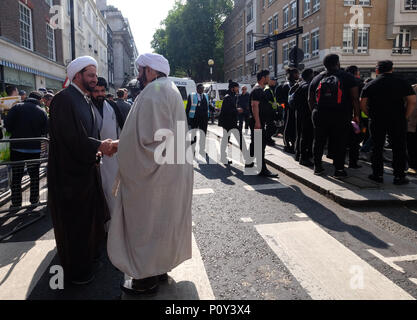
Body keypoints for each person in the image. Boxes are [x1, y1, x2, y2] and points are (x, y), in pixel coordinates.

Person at [107, 53, 193, 295]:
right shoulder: (170, 89)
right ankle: (159, 269)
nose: (138, 74)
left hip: (155, 176)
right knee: (163, 222)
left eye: (142, 69)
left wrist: (116, 146)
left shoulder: (154, 92)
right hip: (169, 172)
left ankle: (145, 278)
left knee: (146, 224)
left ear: (153, 71)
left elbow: (143, 141)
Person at [48, 56, 115, 285]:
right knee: (75, 226)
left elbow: (88, 134)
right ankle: (77, 272)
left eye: (95, 75)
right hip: (70, 178)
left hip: (85, 172)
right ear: (77, 75)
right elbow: (72, 138)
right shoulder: (64, 99)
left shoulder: (83, 98)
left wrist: (98, 146)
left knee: (88, 221)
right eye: (91, 75)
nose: (95, 79)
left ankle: (89, 259)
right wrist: (99, 146)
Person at [360, 60, 417, 185]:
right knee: (399, 147)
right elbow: (412, 101)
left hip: (377, 119)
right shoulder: (402, 82)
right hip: (397, 119)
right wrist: (405, 116)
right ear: (392, 69)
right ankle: (399, 176)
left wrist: (370, 114)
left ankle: (377, 174)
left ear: (377, 70)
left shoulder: (371, 84)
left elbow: (362, 103)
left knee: (377, 147)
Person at [308, 54, 360, 178]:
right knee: (339, 141)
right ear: (337, 63)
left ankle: (318, 167)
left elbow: (310, 99)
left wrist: (313, 112)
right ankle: (339, 169)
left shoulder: (317, 78)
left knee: (319, 140)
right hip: (341, 114)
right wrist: (356, 115)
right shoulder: (348, 77)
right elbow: (355, 98)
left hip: (320, 113)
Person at [4, 91, 48, 209]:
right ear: (39, 100)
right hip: (34, 149)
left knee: (16, 177)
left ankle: (16, 203)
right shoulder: (41, 111)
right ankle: (34, 200)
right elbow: (45, 130)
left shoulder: (17, 107)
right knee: (34, 176)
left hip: (16, 147)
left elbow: (7, 124)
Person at [91, 77, 125, 217]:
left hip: (113, 157)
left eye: (102, 90)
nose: (99, 94)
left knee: (113, 193)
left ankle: (114, 226)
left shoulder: (112, 106)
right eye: (96, 91)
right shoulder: (86, 106)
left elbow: (122, 130)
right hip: (94, 157)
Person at [246, 69, 278, 178]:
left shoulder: (259, 89)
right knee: (260, 145)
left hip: (257, 121)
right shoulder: (257, 90)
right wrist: (258, 122)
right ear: (263, 78)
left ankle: (249, 163)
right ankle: (262, 169)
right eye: (268, 77)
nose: (269, 79)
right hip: (257, 122)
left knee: (255, 143)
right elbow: (254, 105)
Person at [292, 68, 315, 167]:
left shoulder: (300, 85)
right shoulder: (308, 86)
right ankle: (303, 157)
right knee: (306, 136)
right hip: (307, 114)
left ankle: (298, 154)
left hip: (299, 113)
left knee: (300, 134)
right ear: (310, 75)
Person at [346, 66, 365, 169]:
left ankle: (337, 159)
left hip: (342, 114)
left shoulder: (341, 80)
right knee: (355, 139)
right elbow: (359, 100)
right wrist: (357, 115)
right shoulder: (358, 83)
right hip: (355, 115)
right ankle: (353, 162)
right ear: (356, 72)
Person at [277, 68, 300, 153]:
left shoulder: (298, 85)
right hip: (288, 110)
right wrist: (285, 106)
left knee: (294, 128)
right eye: (297, 74)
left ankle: (294, 144)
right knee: (287, 127)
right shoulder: (284, 86)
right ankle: (287, 145)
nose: (298, 75)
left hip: (295, 110)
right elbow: (279, 100)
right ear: (292, 75)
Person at [186, 83, 210, 157]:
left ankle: (202, 150)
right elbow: (188, 108)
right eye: (201, 88)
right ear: (197, 89)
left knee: (203, 134)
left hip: (204, 118)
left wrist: (214, 108)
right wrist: (187, 119)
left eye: (203, 88)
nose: (202, 89)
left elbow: (208, 105)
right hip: (195, 118)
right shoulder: (192, 95)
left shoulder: (206, 95)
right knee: (193, 135)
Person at [219, 81, 240, 164]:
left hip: (231, 122)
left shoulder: (232, 96)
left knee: (226, 139)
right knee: (226, 140)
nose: (238, 89)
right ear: (232, 88)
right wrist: (237, 110)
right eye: (237, 87)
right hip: (228, 122)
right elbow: (227, 110)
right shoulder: (228, 97)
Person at [264, 77, 279, 147]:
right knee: (270, 126)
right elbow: (267, 101)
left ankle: (268, 138)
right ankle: (267, 139)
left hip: (272, 110)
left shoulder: (272, 88)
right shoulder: (267, 89)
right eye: (274, 81)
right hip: (268, 111)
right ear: (270, 81)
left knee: (271, 126)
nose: (275, 82)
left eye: (275, 81)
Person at [406, 84, 417, 175]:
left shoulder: (412, 88)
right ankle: (412, 166)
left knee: (411, 146)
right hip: (411, 124)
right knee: (411, 146)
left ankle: (412, 166)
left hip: (411, 124)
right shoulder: (411, 88)